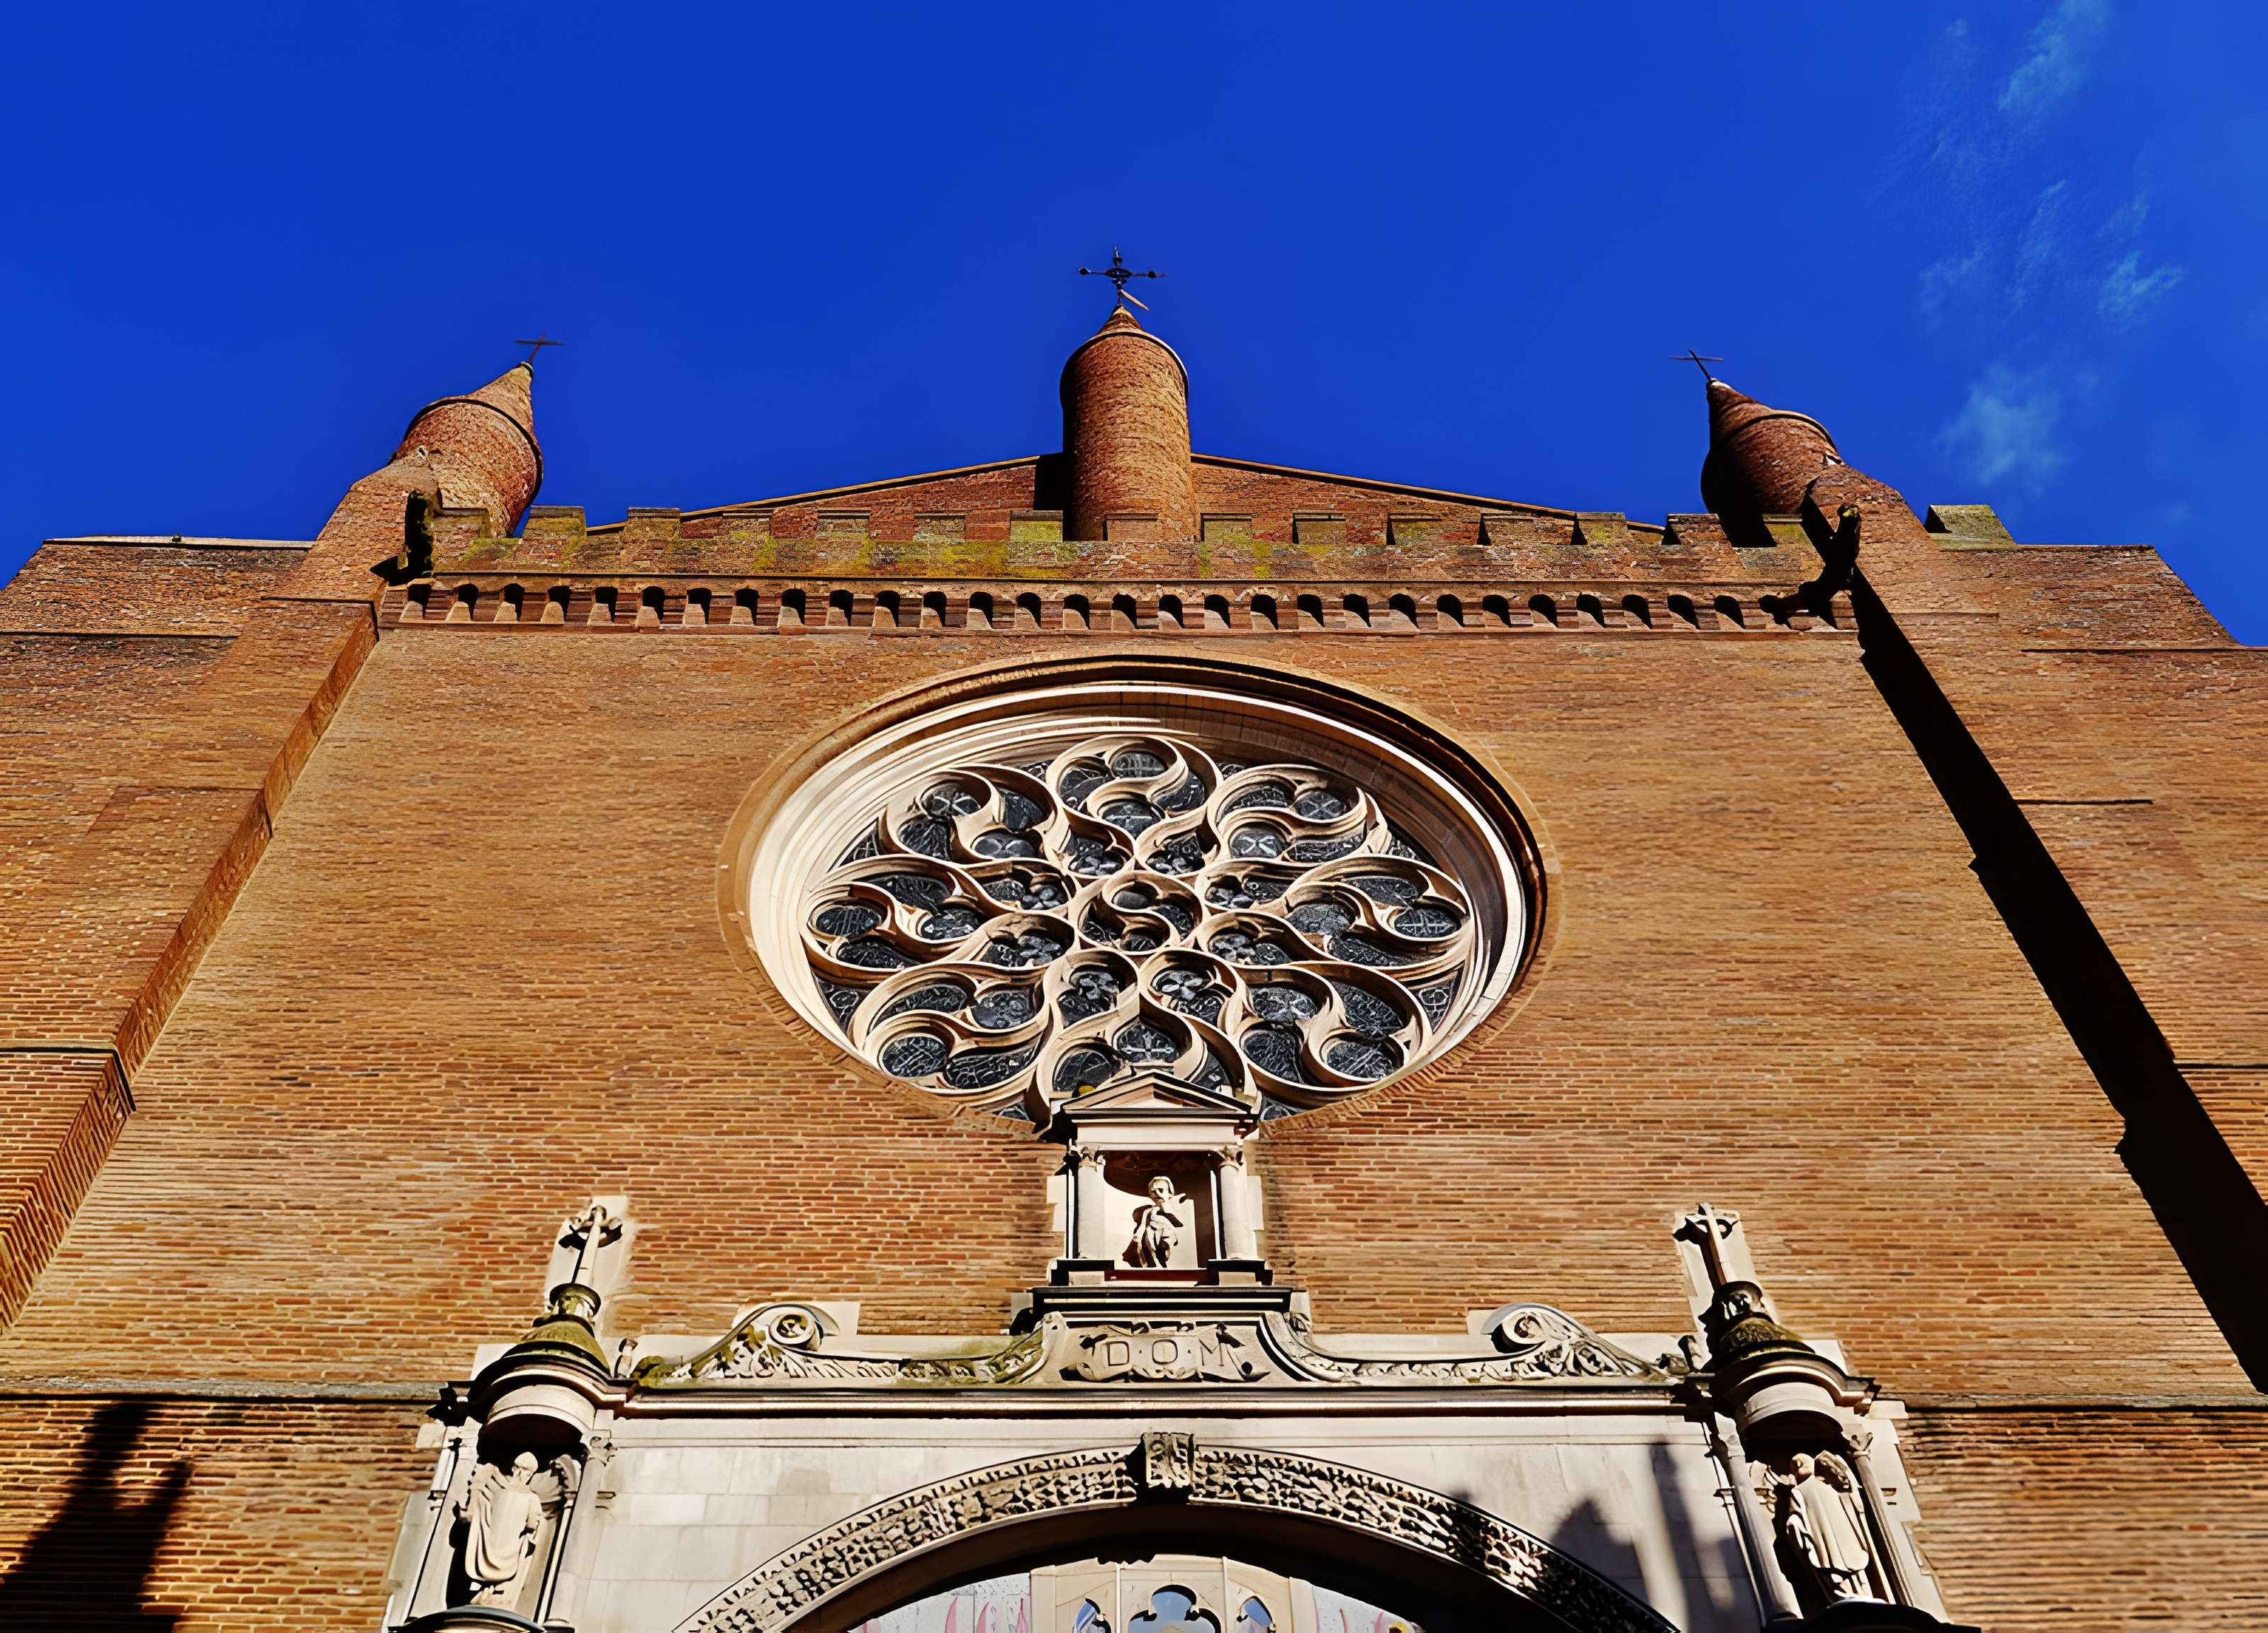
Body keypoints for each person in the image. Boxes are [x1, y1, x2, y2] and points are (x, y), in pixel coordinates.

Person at [1125, 1174, 1191, 1267]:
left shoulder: (1171, 1208)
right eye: (1153, 1191)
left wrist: (1166, 1209)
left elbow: (1179, 1224)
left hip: (1167, 1234)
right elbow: (1142, 1225)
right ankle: (1155, 1261)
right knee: (1148, 1235)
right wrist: (1138, 1234)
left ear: (1170, 1193)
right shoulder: (1148, 1210)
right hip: (1151, 1235)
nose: (1158, 1194)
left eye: (1161, 1190)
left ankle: (1162, 1255)